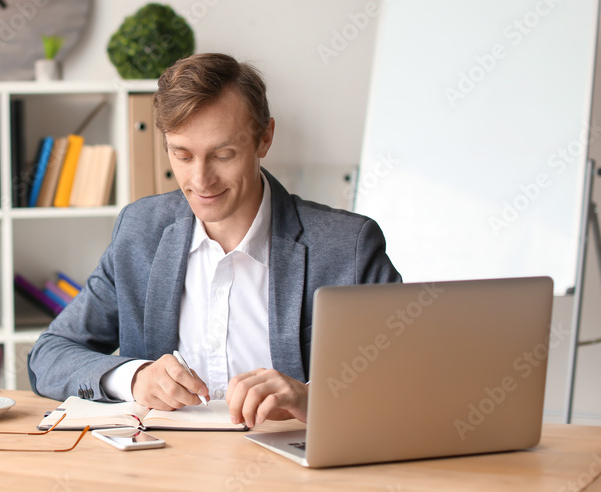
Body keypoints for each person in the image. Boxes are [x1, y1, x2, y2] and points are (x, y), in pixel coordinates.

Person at [27, 53, 400, 426]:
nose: (201, 180)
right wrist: (135, 378)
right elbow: (50, 355)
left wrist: (317, 398)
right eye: (183, 155)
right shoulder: (140, 232)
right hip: (168, 469)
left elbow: (409, 379)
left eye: (223, 155)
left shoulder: (347, 246)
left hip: (296, 476)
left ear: (265, 138)